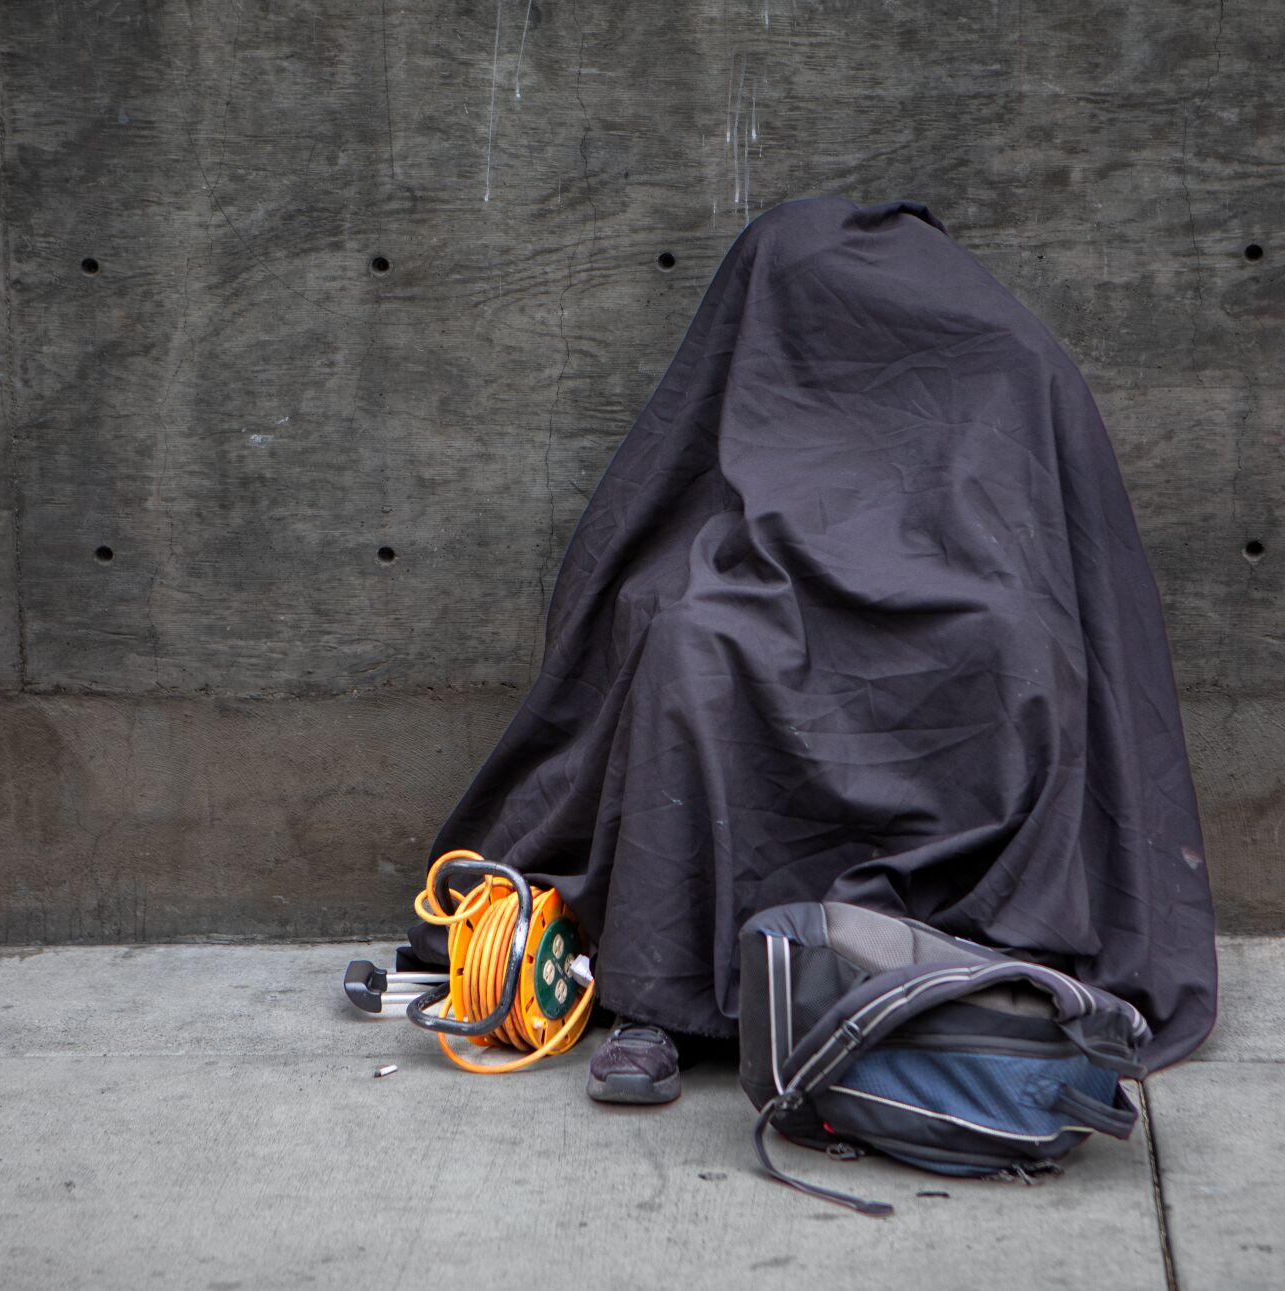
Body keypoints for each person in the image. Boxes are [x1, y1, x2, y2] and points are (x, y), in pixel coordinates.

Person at [409, 196, 1218, 1103]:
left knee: (1018, 651)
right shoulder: (758, 380)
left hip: (940, 592)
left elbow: (1036, 566)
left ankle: (954, 977)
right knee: (688, 641)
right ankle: (661, 1002)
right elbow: (655, 528)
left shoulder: (1005, 363)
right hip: (775, 584)